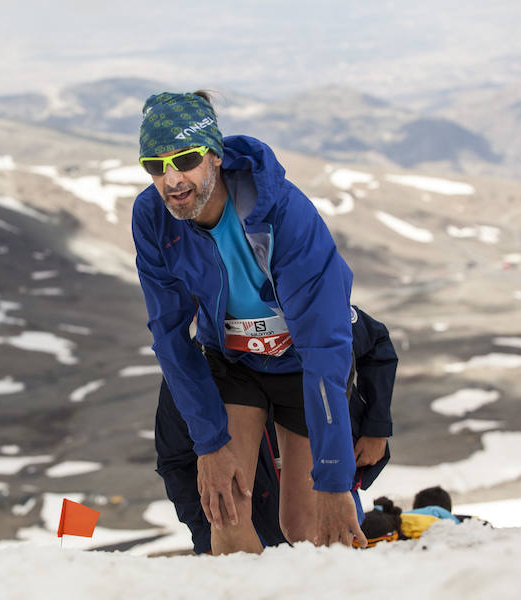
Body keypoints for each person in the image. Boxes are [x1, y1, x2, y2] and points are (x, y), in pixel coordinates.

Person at [132, 90, 396, 554]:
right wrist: (210, 445)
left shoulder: (286, 214)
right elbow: (170, 337)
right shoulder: (153, 218)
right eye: (155, 165)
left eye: (186, 159)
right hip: (233, 364)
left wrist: (334, 481)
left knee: (309, 526)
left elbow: (324, 347)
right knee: (226, 511)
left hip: (301, 365)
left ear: (213, 155)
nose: (171, 178)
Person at [155, 305, 398, 553]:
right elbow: (176, 461)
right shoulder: (188, 372)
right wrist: (205, 536)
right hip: (251, 516)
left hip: (326, 485)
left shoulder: (314, 311)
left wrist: (376, 429)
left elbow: (377, 345)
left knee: (334, 573)